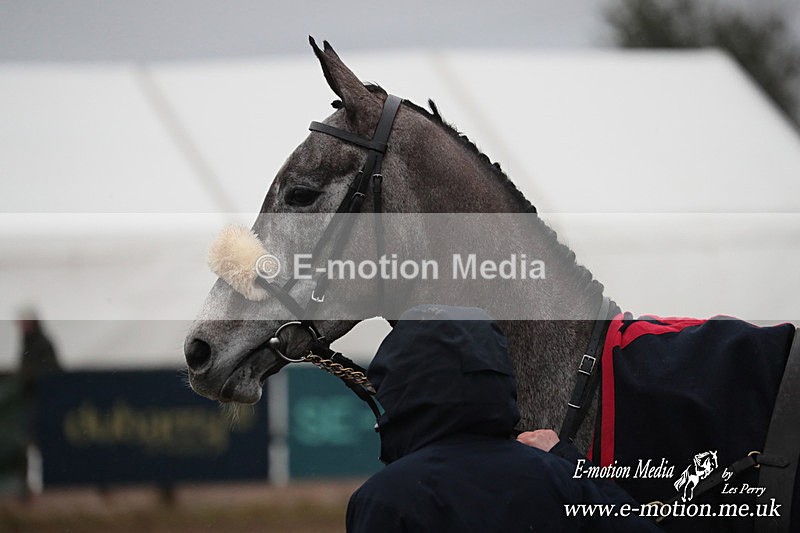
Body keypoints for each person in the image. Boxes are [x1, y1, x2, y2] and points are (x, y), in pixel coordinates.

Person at [346, 304, 660, 532]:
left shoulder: (383, 498)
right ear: (498, 372)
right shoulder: (559, 477)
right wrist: (569, 461)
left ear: (400, 383)